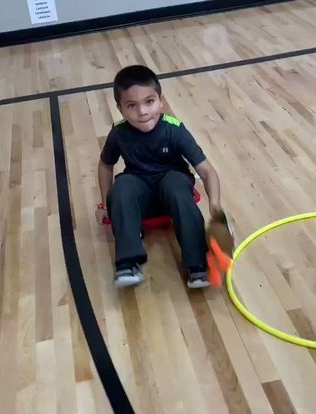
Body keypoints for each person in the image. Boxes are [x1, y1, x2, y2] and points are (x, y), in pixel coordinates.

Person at [95, 65, 223, 288]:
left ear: (160, 101)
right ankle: (127, 263)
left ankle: (198, 266)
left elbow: (207, 171)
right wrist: (105, 201)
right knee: (122, 187)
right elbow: (106, 165)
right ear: (120, 108)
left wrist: (215, 205)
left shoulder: (175, 129)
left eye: (149, 102)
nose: (142, 112)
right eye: (131, 105)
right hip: (140, 187)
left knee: (175, 184)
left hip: (172, 184)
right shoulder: (119, 132)